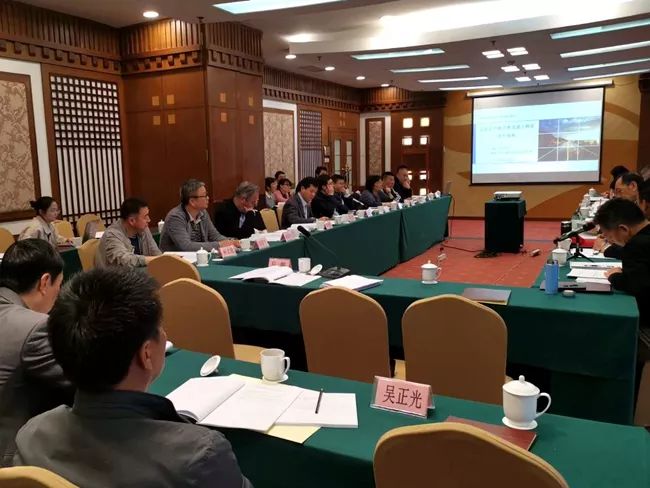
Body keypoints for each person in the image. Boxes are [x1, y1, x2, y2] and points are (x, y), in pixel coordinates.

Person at [14, 268, 252, 487]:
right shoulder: (199, 456)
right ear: (146, 354)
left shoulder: (32, 437)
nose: (164, 335)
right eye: (160, 328)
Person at [0, 239, 71, 466]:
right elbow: (82, 379)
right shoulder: (35, 326)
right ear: (45, 282)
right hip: (12, 461)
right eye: (59, 285)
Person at [595, 199, 650, 330]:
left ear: (623, 229)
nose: (610, 240)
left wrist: (614, 276)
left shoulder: (636, 245)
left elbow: (633, 284)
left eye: (609, 236)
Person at [160, 179, 236, 252]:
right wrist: (219, 245)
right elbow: (186, 246)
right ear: (192, 201)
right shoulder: (175, 217)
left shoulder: (203, 213)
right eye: (204, 195)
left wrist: (232, 241)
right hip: (177, 259)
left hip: (199, 256)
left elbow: (215, 236)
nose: (208, 198)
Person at [96, 198, 161, 268]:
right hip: (115, 274)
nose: (149, 220)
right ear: (132, 221)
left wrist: (162, 259)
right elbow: (125, 260)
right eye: (145, 216)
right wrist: (153, 259)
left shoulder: (143, 229)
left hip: (138, 273)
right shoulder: (112, 234)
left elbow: (155, 253)